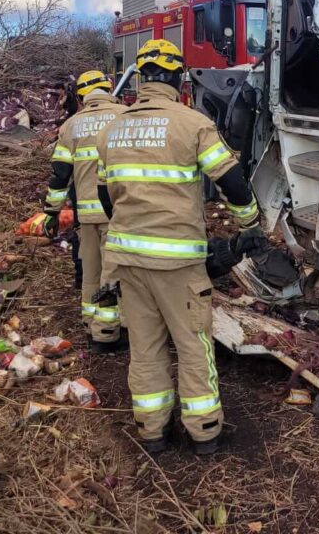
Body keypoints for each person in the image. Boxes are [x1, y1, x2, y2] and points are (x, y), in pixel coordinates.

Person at [96, 39, 262, 455]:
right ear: (177, 78)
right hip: (178, 263)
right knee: (193, 344)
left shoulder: (111, 129)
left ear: (140, 79)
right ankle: (204, 430)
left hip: (127, 259)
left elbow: (104, 198)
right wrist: (250, 224)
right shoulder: (193, 124)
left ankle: (152, 430)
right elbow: (231, 181)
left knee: (146, 347)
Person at [43, 69, 125, 351]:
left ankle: (92, 325)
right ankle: (110, 331)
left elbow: (60, 176)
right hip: (119, 213)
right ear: (108, 89)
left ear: (81, 96)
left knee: (90, 272)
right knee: (114, 274)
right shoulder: (125, 117)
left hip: (86, 215)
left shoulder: (71, 126)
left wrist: (52, 213)